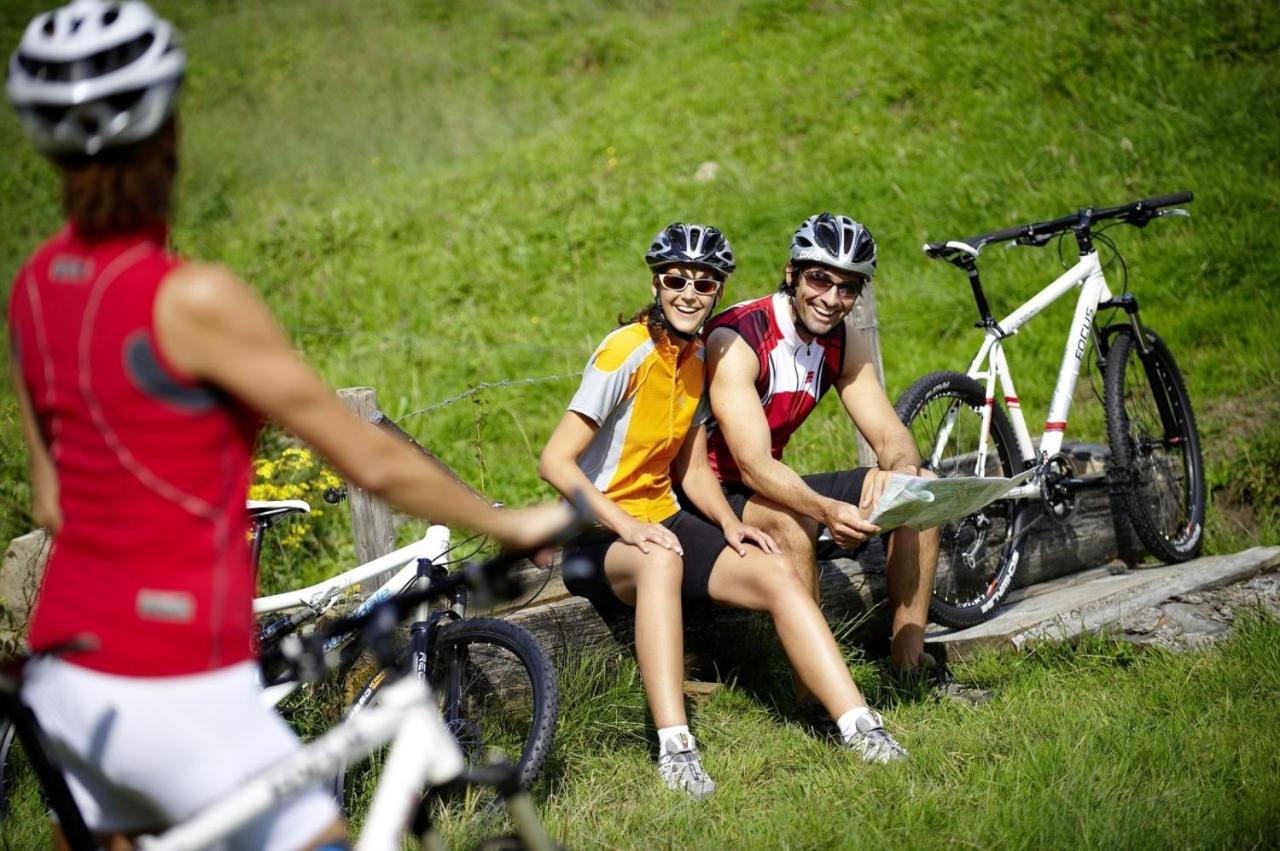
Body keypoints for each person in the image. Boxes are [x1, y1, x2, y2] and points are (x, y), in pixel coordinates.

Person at [4, 3, 569, 849]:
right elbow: (366, 458)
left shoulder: (37, 285)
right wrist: (516, 520)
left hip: (66, 674)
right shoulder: (191, 299)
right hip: (174, 674)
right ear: (171, 127)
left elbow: (52, 500)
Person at [538, 223, 907, 801]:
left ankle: (861, 726)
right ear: (657, 283)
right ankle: (675, 748)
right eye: (676, 280)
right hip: (595, 534)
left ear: (717, 290)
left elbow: (689, 468)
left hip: (663, 519)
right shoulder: (625, 350)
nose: (689, 292)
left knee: (775, 571)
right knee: (659, 559)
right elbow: (555, 462)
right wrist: (631, 526)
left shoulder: (692, 358)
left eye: (704, 284)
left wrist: (732, 525)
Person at [703, 212, 944, 681]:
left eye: (848, 288)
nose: (831, 299)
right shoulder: (738, 338)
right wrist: (826, 510)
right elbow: (751, 468)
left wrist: (900, 474)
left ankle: (910, 667)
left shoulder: (840, 340)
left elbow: (892, 436)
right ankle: (815, 698)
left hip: (764, 481)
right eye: (819, 278)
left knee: (922, 490)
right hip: (711, 493)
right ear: (792, 273)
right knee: (794, 525)